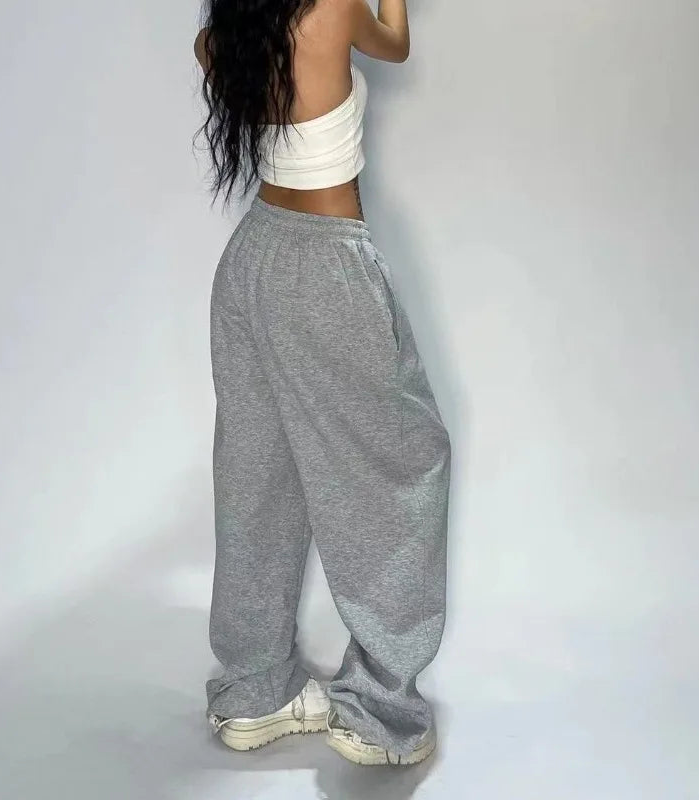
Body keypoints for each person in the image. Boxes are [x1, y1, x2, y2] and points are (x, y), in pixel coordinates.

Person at [193, 0, 450, 767]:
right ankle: (381, 711)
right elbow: (394, 43)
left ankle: (253, 691)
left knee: (258, 478)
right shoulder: (336, 7)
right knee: (402, 466)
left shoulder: (222, 35)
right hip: (324, 267)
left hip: (251, 261)